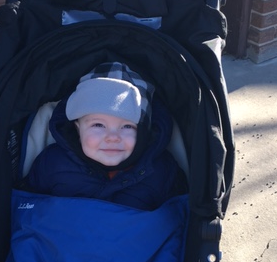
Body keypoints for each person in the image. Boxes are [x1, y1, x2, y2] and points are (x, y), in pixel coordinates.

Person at [26, 62, 187, 210]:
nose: (112, 137)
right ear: (77, 129)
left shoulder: (161, 170)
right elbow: (27, 210)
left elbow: (180, 216)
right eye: (98, 125)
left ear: (144, 132)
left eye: (127, 126)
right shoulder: (52, 164)